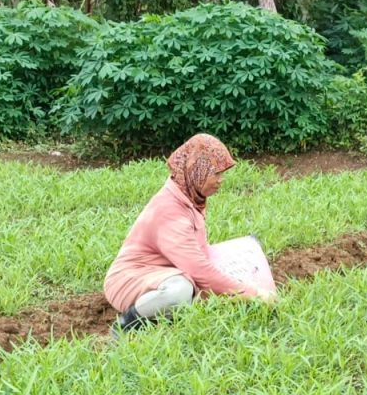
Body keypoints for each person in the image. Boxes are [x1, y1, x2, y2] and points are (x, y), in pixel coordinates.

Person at [104, 133, 274, 333]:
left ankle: (167, 316)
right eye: (216, 174)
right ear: (198, 172)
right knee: (181, 290)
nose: (221, 180)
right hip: (132, 278)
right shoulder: (169, 211)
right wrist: (253, 294)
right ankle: (127, 325)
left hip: (164, 273)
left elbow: (199, 255)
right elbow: (199, 270)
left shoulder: (190, 198)